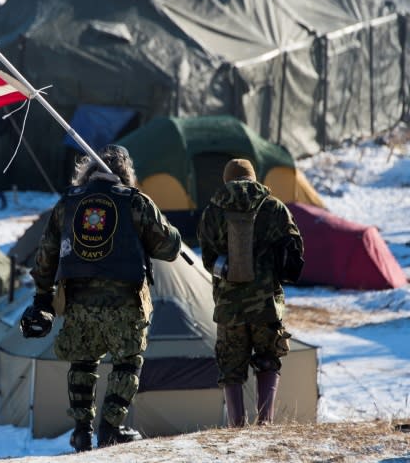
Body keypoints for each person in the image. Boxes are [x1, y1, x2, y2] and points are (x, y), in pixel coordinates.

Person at [21, 144, 182, 452]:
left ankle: (81, 431)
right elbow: (168, 249)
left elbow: (46, 257)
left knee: (82, 362)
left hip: (79, 302)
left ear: (87, 172)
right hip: (126, 303)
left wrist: (43, 299)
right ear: (125, 173)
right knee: (126, 363)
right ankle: (111, 427)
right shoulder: (136, 202)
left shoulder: (68, 204)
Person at [197, 158, 303, 428]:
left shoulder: (212, 211)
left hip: (229, 307)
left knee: (230, 369)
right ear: (253, 178)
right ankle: (265, 422)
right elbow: (294, 250)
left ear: (227, 180)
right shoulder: (274, 207)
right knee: (268, 360)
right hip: (266, 303)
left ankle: (236, 426)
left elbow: (208, 260)